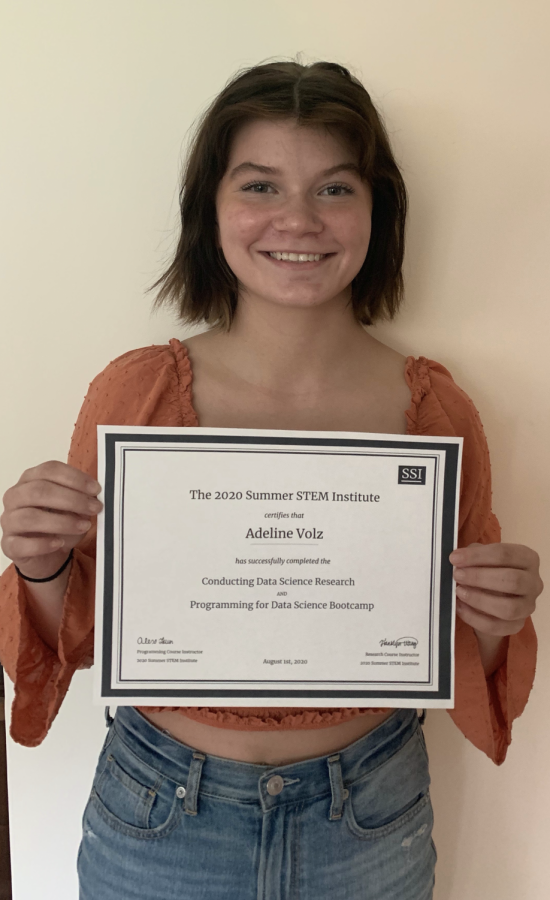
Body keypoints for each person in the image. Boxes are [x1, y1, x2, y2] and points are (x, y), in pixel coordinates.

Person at [0, 61, 542, 900]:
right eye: (260, 184)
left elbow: (461, 651)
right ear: (209, 207)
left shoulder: (434, 410)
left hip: (370, 813)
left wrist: (499, 620)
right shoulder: (137, 394)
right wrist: (40, 563)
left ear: (378, 210)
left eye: (335, 189)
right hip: (160, 813)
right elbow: (76, 631)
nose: (298, 219)